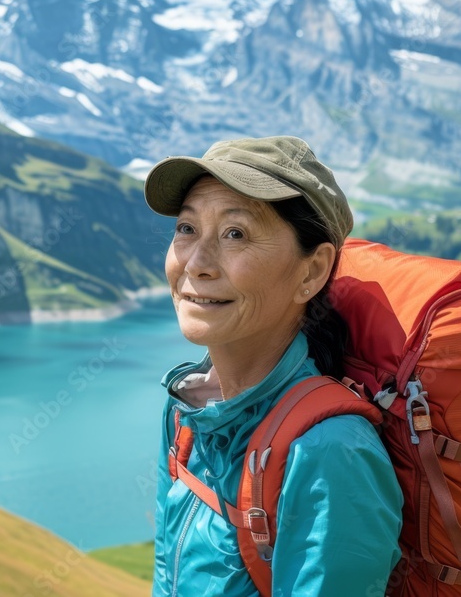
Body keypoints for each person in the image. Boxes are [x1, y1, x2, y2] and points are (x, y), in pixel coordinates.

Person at [144, 136, 403, 596]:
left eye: (235, 233)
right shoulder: (187, 411)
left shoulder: (329, 451)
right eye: (186, 229)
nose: (196, 263)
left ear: (311, 272)